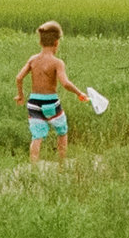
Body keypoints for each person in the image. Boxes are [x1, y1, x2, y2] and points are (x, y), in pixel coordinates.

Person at [15, 20, 93, 167]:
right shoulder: (57, 62)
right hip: (50, 102)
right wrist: (79, 93)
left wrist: (20, 95)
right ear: (56, 43)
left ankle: (33, 168)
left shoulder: (33, 59)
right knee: (62, 131)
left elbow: (19, 78)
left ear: (40, 42)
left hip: (33, 103)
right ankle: (62, 165)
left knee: (37, 136)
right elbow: (65, 83)